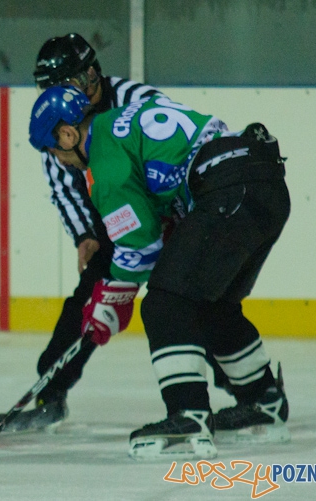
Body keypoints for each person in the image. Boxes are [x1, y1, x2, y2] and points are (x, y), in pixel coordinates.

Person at [28, 86, 290, 459]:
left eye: (54, 150)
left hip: (227, 191)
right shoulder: (126, 119)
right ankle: (263, 404)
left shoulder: (105, 163)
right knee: (213, 307)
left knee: (165, 304)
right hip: (266, 186)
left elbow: (139, 245)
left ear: (68, 134)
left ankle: (188, 416)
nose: (60, 160)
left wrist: (111, 297)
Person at [9, 33, 226, 433]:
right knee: (90, 297)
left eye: (79, 78)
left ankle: (239, 385)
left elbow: (173, 142)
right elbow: (62, 181)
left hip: (167, 206)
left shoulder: (133, 98)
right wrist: (85, 235)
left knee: (193, 297)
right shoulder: (59, 123)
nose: (76, 88)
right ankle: (50, 393)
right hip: (117, 213)